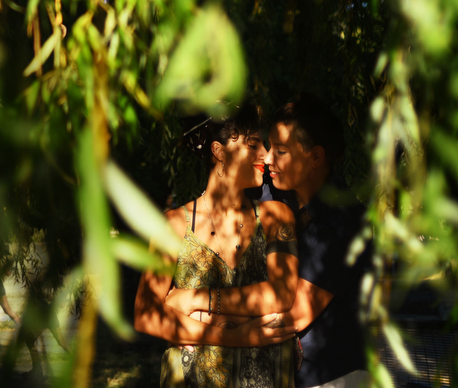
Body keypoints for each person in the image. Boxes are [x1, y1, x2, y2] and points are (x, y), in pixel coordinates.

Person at [134, 105, 301, 387]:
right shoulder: (173, 225)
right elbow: (147, 315)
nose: (265, 154)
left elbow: (282, 295)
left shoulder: (276, 218)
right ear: (219, 152)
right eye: (252, 144)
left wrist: (193, 301)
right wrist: (235, 336)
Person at [260, 94, 371, 388]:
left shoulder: (346, 222)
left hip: (332, 379)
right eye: (269, 147)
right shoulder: (276, 195)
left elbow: (293, 315)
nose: (267, 158)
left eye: (280, 150)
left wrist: (211, 314)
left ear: (315, 157)